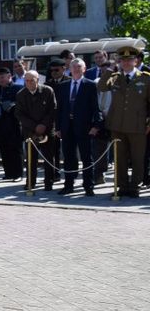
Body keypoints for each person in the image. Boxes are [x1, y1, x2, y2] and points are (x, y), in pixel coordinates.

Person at [98, 45, 150, 198]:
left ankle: (135, 186)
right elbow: (101, 87)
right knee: (119, 158)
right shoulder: (114, 77)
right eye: (123, 60)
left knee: (137, 158)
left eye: (129, 60)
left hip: (137, 126)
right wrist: (110, 68)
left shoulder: (146, 78)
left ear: (136, 61)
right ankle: (122, 186)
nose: (126, 63)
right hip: (118, 126)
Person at [55, 58, 101, 196]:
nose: (75, 69)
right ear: (69, 68)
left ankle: (88, 185)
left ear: (84, 69)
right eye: (73, 66)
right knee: (69, 157)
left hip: (84, 127)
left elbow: (96, 107)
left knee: (87, 157)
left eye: (78, 66)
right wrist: (58, 127)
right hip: (66, 127)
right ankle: (68, 185)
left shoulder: (90, 85)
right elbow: (59, 109)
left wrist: (95, 126)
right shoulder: (63, 85)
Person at [14, 70, 57, 191]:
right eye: (26, 81)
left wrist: (43, 124)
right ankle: (30, 182)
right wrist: (34, 126)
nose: (29, 83)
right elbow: (19, 114)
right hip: (30, 131)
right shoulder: (21, 94)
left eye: (31, 80)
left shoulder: (48, 91)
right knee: (31, 158)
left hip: (47, 130)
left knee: (49, 158)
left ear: (37, 80)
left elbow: (53, 109)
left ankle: (49, 182)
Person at [0, 68, 23, 181]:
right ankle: (8, 173)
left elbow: (21, 104)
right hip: (0, 125)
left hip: (13, 124)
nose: (0, 80)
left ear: (9, 76)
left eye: (2, 77)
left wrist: (12, 105)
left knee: (15, 150)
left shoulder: (18, 88)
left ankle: (18, 174)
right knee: (4, 150)